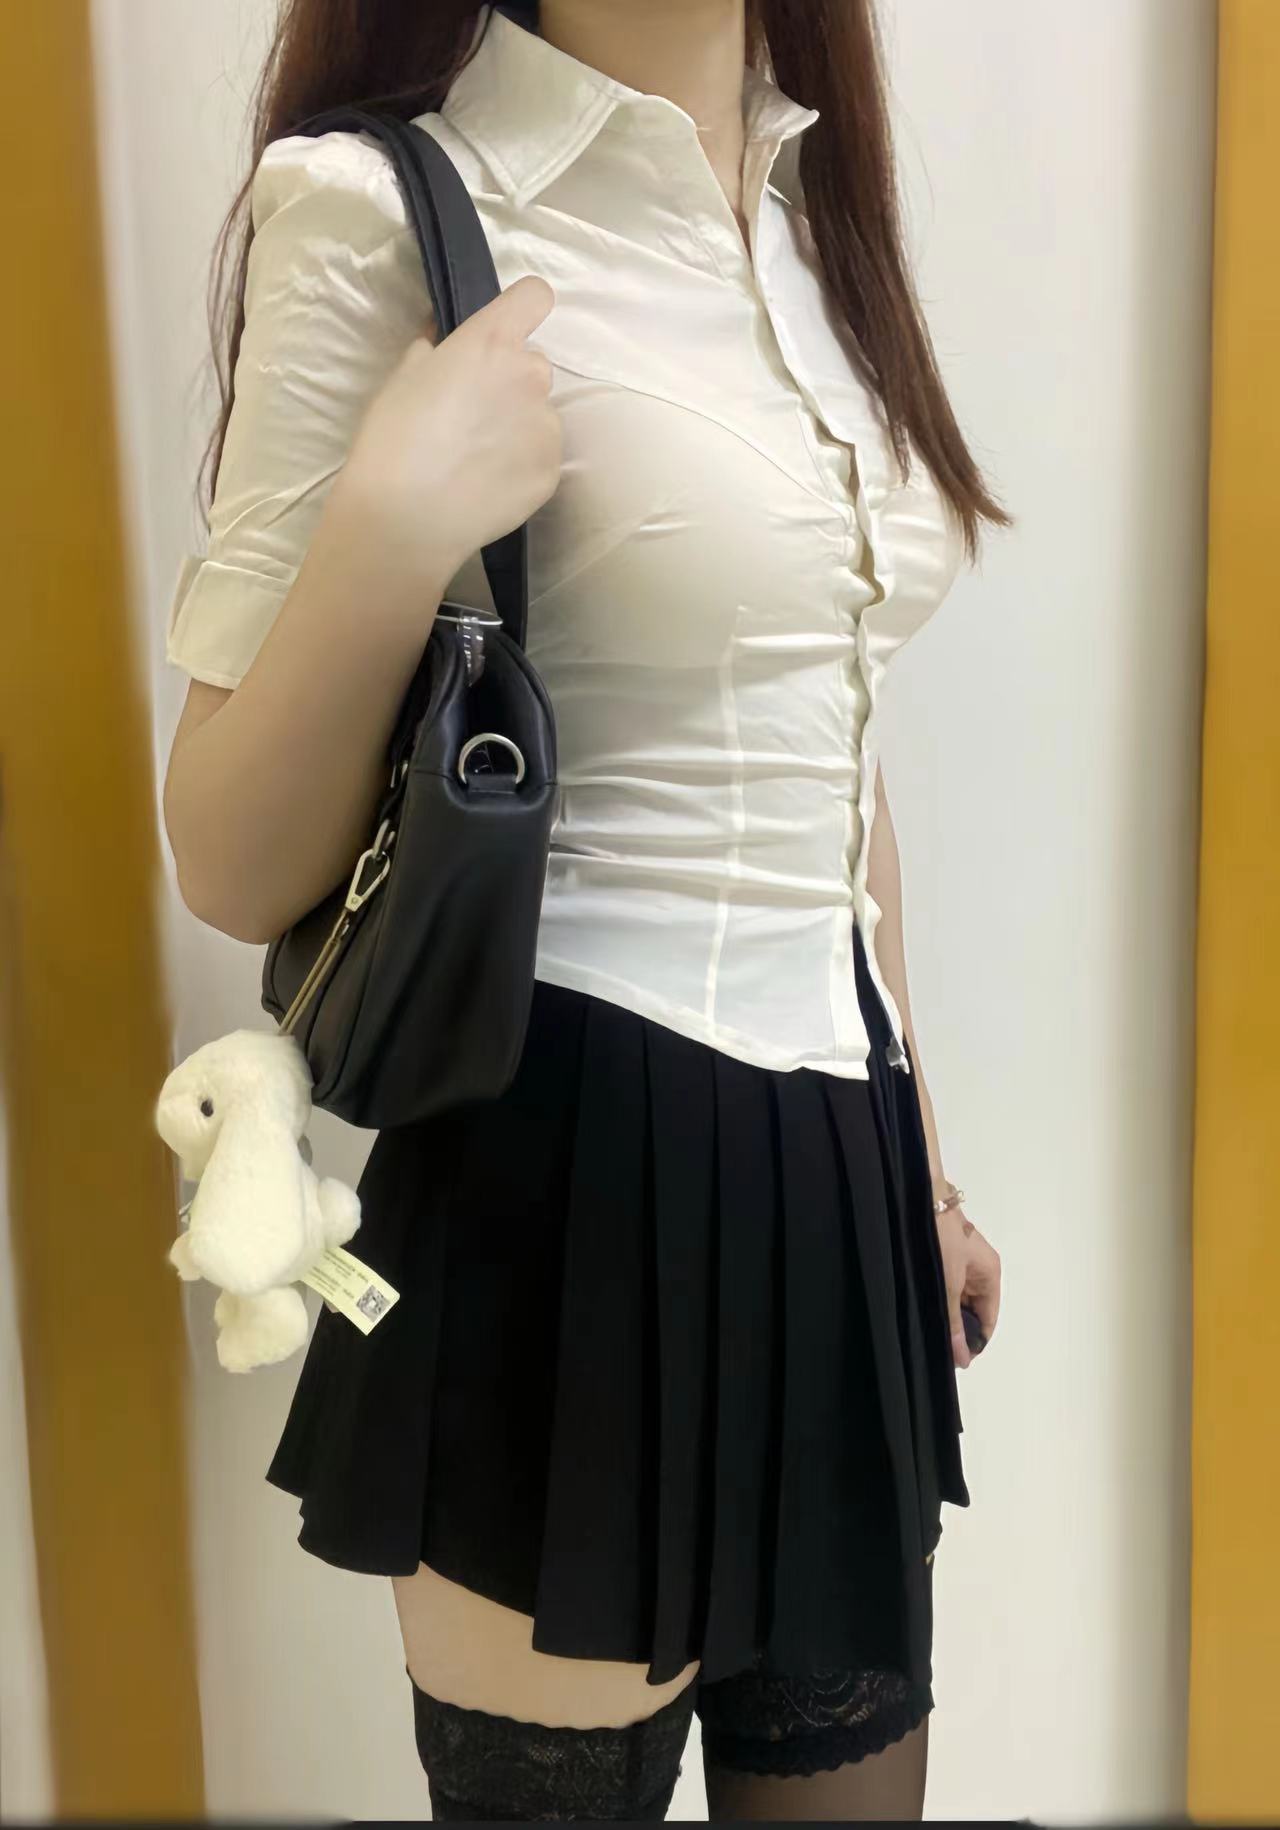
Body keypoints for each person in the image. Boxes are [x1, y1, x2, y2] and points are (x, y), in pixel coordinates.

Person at [162, 0, 1004, 1818]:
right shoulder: (381, 207)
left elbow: (831, 749)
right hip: (572, 1179)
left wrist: (923, 1170)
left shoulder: (807, 217)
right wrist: (392, 521)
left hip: (843, 1169)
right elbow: (224, 850)